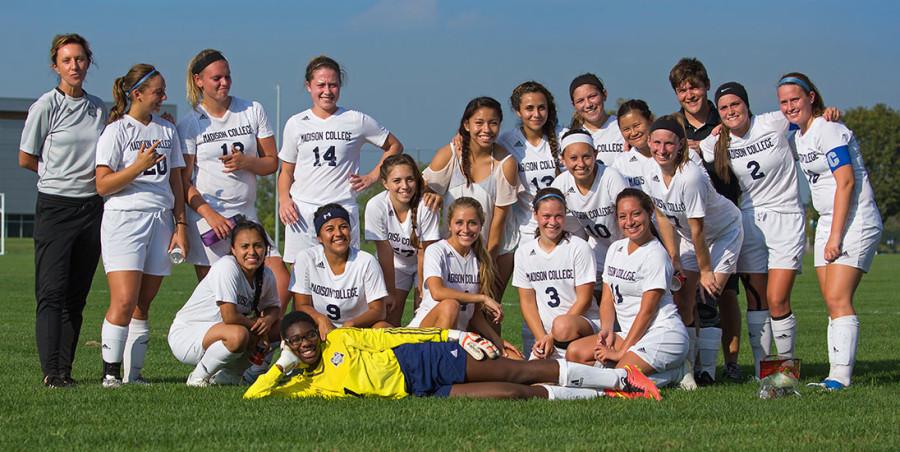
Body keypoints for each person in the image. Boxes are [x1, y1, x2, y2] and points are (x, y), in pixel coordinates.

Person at [699, 82, 841, 377]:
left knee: (777, 298)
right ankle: (765, 372)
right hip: (749, 220)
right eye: (723, 107)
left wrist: (826, 112)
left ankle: (786, 372)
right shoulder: (716, 141)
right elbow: (687, 149)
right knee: (756, 301)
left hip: (786, 217)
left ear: (747, 104)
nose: (730, 111)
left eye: (735, 104)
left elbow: (806, 121)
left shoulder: (773, 122)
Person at [243, 310, 660, 400]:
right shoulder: (303, 384)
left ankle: (622, 379)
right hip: (416, 392)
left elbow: (397, 335)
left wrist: (454, 336)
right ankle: (604, 396)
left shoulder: (343, 339)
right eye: (295, 342)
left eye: (307, 336)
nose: (304, 344)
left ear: (317, 333)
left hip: (424, 360)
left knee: (519, 370)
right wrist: (282, 366)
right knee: (514, 395)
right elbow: (253, 400)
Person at [777, 73, 883, 390]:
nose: (789, 106)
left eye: (795, 99)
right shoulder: (799, 136)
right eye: (783, 101)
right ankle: (834, 372)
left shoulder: (830, 129)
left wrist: (835, 236)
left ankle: (840, 377)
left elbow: (846, 182)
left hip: (855, 219)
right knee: (830, 299)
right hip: (827, 219)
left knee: (839, 297)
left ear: (811, 97)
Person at [18, 34, 107, 388]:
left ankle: (64, 371)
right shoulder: (45, 106)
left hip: (92, 208)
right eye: (67, 60)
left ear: (88, 62)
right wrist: (56, 175)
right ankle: (50, 371)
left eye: (80, 59)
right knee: (51, 292)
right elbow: (25, 158)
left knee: (76, 295)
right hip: (55, 208)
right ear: (56, 66)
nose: (75, 66)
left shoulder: (98, 107)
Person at [95, 64, 188, 387]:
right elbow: (103, 185)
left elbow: (176, 180)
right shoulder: (117, 130)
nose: (163, 97)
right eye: (157, 92)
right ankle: (109, 374)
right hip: (125, 220)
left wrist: (180, 226)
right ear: (137, 94)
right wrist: (138, 166)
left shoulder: (166, 130)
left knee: (143, 303)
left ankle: (133, 375)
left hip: (160, 221)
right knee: (123, 300)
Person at [176, 49, 290, 310]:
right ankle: (216, 348)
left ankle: (267, 344)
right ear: (198, 81)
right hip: (210, 222)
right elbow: (183, 183)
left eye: (227, 76)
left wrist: (247, 162)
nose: (224, 83)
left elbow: (272, 162)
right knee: (219, 301)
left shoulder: (252, 109)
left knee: (280, 279)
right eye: (216, 78)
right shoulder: (190, 123)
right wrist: (210, 216)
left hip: (247, 215)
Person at [644, 116, 743, 389]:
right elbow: (663, 216)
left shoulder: (691, 176)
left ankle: (708, 371)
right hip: (688, 237)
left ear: (680, 146)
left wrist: (706, 271)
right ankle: (686, 369)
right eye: (657, 142)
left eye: (669, 144)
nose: (662, 150)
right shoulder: (650, 171)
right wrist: (674, 257)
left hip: (723, 232)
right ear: (649, 142)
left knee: (707, 296)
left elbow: (699, 228)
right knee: (683, 300)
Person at [278, 55, 403, 263]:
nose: (327, 91)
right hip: (302, 212)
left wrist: (372, 177)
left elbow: (394, 146)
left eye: (333, 85)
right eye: (321, 85)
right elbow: (287, 171)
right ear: (309, 86)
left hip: (342, 210)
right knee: (302, 278)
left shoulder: (356, 120)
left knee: (346, 275)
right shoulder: (296, 123)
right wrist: (284, 199)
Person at [566, 189, 689, 388]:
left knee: (618, 378)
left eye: (636, 214)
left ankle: (677, 372)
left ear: (649, 213)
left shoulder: (655, 255)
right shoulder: (616, 248)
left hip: (661, 334)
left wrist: (621, 352)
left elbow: (647, 312)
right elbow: (607, 299)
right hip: (629, 332)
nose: (630, 222)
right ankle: (628, 369)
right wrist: (607, 331)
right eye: (622, 216)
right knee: (575, 353)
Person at [668, 58, 743, 383]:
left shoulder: (723, 118)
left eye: (694, 87)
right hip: (688, 224)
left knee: (724, 295)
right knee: (694, 297)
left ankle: (731, 363)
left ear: (706, 86)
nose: (689, 94)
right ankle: (697, 365)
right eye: (682, 89)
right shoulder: (672, 125)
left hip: (723, 217)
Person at [424, 97, 520, 308]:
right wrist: (435, 194)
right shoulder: (450, 154)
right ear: (466, 125)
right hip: (454, 252)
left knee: (487, 311)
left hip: (495, 251)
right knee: (447, 308)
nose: (486, 129)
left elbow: (498, 225)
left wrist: (485, 264)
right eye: (479, 122)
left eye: (493, 123)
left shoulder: (506, 164)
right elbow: (420, 189)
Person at [495, 81, 565, 353]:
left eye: (541, 108)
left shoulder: (564, 135)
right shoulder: (507, 141)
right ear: (517, 110)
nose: (536, 114)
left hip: (561, 227)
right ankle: (532, 353)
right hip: (527, 230)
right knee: (530, 296)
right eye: (529, 108)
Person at [168, 220, 281, 386]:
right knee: (239, 335)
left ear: (266, 248)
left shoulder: (266, 274)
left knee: (281, 327)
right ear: (233, 250)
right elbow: (229, 316)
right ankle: (198, 377)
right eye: (245, 246)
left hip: (221, 332)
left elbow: (273, 307)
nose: (252, 252)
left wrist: (268, 321)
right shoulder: (226, 267)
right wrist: (259, 331)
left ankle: (233, 376)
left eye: (258, 246)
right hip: (188, 335)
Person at [407, 198, 521, 357]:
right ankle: (434, 368)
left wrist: (497, 341)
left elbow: (474, 315)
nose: (465, 229)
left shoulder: (481, 259)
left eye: (472, 223)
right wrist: (482, 298)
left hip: (459, 338)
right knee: (450, 306)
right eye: (459, 222)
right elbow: (437, 292)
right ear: (449, 225)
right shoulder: (436, 250)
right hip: (423, 335)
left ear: (481, 226)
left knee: (515, 359)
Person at [513, 187, 599, 360]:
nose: (552, 222)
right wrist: (542, 338)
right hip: (546, 335)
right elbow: (527, 303)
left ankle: (591, 358)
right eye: (546, 216)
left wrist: (552, 336)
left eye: (558, 216)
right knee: (530, 380)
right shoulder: (523, 252)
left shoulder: (579, 247)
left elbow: (584, 299)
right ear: (535, 215)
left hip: (579, 326)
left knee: (561, 324)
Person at [291, 204, 391, 337]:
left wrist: (350, 325)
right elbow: (301, 305)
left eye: (343, 227)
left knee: (383, 329)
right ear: (319, 238)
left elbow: (378, 311)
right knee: (294, 327)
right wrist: (322, 320)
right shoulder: (306, 258)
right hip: (320, 328)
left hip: (357, 328)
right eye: (329, 229)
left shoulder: (366, 261)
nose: (338, 233)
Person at [365, 154, 441, 326]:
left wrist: (422, 290)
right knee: (390, 314)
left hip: (425, 264)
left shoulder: (426, 205)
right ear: (385, 183)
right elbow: (385, 252)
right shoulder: (375, 206)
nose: (404, 186)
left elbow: (425, 252)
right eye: (397, 181)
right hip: (396, 265)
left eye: (409, 179)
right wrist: (390, 291)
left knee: (423, 315)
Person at [551, 129, 629, 287]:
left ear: (596, 154)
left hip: (625, 246)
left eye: (586, 156)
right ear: (563, 160)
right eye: (573, 158)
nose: (580, 164)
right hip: (598, 249)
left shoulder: (610, 177)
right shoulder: (561, 184)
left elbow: (630, 215)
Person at [567, 73, 626, 166]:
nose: (588, 104)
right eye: (580, 101)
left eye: (592, 96)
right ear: (573, 105)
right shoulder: (572, 136)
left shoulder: (622, 126)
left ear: (604, 95)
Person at [612, 99, 654, 191]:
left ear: (650, 120)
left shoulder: (670, 153)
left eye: (637, 125)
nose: (633, 133)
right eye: (626, 129)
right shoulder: (620, 164)